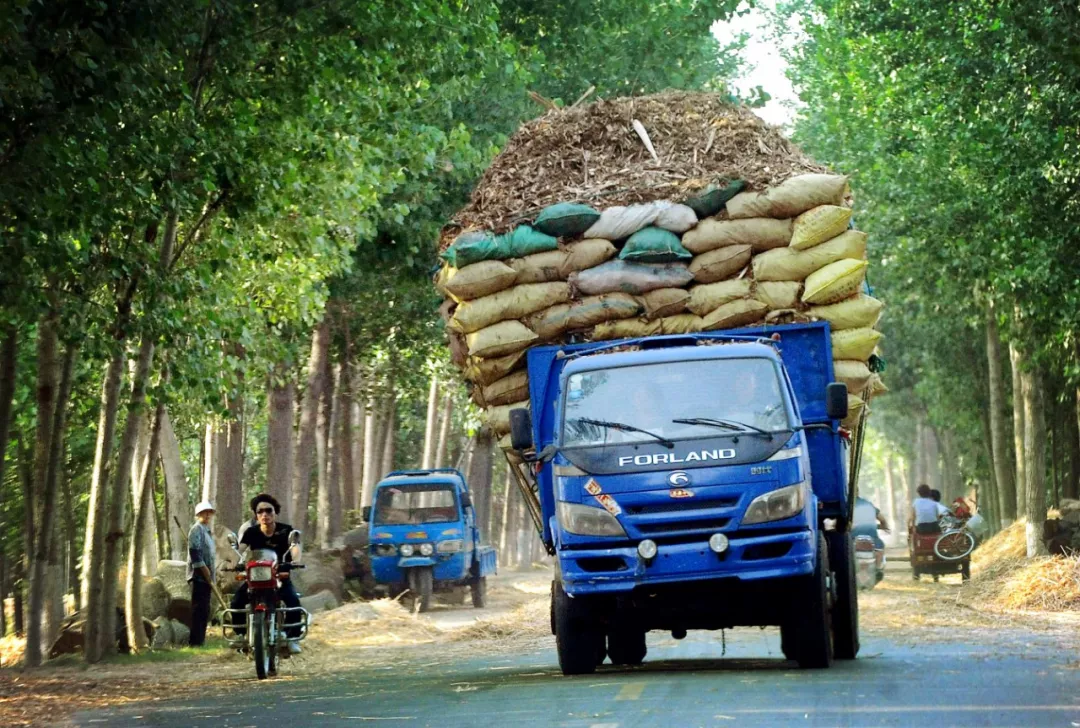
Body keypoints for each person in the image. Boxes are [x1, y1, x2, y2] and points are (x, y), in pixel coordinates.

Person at [230, 493, 304, 653]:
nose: (264, 514)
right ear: (256, 515)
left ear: (275, 512)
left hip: (279, 577)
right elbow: (241, 550)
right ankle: (240, 636)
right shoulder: (251, 532)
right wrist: (234, 561)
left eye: (268, 511)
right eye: (260, 511)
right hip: (255, 577)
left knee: (293, 602)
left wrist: (295, 561)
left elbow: (295, 547)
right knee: (236, 602)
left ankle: (292, 638)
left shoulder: (286, 530)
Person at [186, 500, 216, 647]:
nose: (207, 515)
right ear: (198, 514)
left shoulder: (207, 531)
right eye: (204, 513)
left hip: (207, 577)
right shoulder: (196, 530)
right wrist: (205, 571)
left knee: (205, 609)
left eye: (209, 513)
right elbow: (195, 554)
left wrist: (210, 575)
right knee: (199, 609)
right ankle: (195, 642)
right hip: (198, 576)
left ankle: (201, 640)